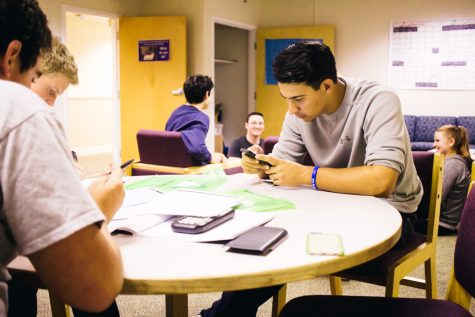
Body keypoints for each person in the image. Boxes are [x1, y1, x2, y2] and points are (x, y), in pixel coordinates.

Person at [199, 42, 423, 317]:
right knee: (268, 233)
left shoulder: (378, 100)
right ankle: (224, 314)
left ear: (327, 86)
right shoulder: (299, 111)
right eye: (286, 99)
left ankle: (219, 315)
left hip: (392, 214)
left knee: (284, 238)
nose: (292, 109)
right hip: (329, 204)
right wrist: (261, 165)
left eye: (298, 99)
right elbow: (283, 161)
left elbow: (381, 181)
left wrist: (307, 174)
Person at [0, 1, 124, 316]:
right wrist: (98, 212)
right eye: (32, 77)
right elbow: (96, 287)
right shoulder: (17, 109)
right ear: (12, 56)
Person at [166, 75, 227, 165]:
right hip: (188, 170)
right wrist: (210, 158)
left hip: (171, 165)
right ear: (206, 95)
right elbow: (196, 148)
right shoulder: (201, 118)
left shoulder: (175, 113)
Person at [431, 125, 472, 234]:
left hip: (443, 224)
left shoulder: (453, 165)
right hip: (445, 221)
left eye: (437, 141)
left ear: (451, 142)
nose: (434, 144)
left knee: (403, 223)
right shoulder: (453, 161)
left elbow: (436, 198)